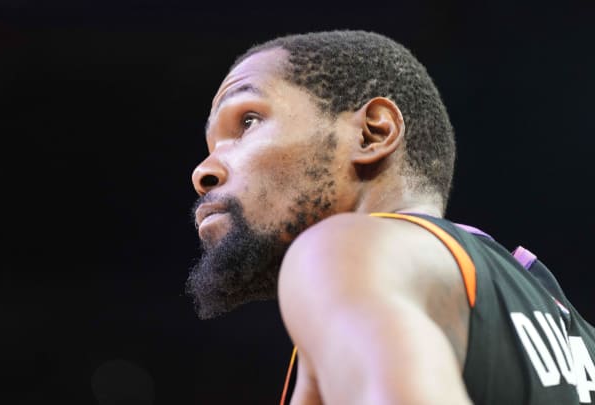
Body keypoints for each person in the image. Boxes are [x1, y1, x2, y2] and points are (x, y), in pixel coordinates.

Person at [185, 29, 595, 405]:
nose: (203, 171)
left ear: (372, 134)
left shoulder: (342, 251)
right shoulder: (575, 337)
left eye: (248, 121)